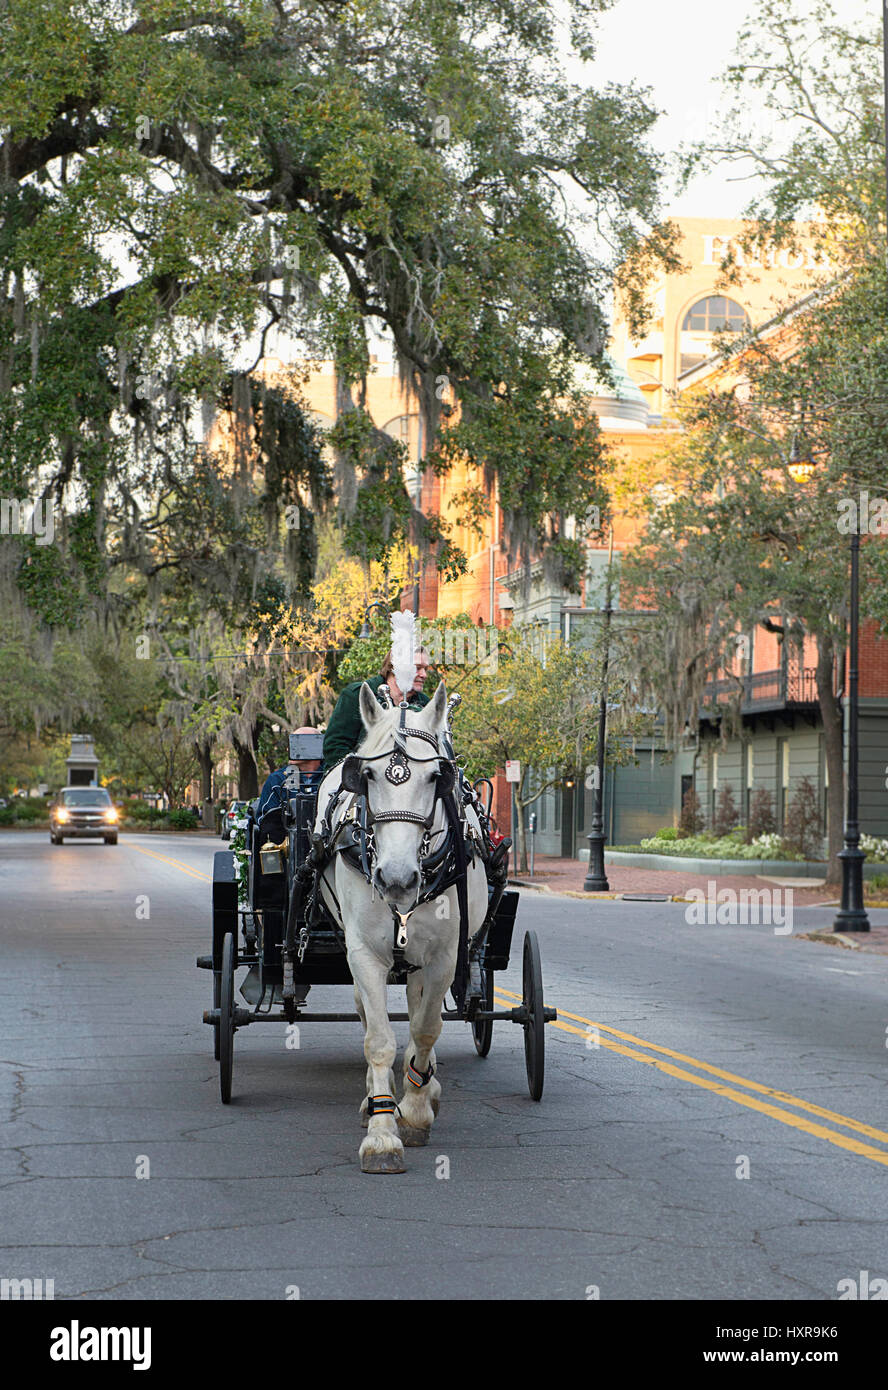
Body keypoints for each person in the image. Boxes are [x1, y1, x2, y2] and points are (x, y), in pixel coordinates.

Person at [321, 647, 432, 772]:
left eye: (425, 669)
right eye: (417, 668)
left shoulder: (425, 705)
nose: (424, 675)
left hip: (409, 782)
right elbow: (335, 747)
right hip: (355, 779)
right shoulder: (356, 695)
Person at [257, 725, 322, 834]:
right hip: (288, 845)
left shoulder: (333, 779)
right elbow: (265, 821)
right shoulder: (277, 780)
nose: (289, 749)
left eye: (298, 743)